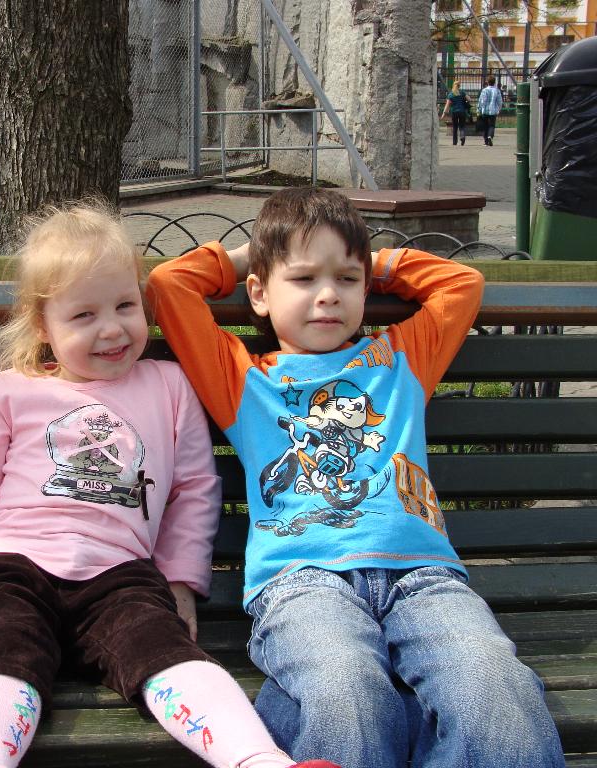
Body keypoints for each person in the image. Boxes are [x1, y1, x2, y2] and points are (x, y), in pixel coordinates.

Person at [146, 187, 566, 768]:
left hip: (424, 577)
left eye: (347, 279)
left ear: (366, 288)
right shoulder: (244, 380)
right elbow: (168, 286)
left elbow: (461, 284)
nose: (328, 295)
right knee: (346, 687)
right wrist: (251, 257)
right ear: (260, 294)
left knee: (496, 688)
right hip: (303, 580)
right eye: (303, 279)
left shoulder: (400, 360)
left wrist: (375, 260)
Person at [0, 202, 340, 768]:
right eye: (83, 315)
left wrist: (180, 580)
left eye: (125, 306)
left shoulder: (168, 385)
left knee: (168, 652)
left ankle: (258, 760)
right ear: (43, 327)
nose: (112, 328)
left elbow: (194, 490)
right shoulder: (14, 389)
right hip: (12, 565)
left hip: (120, 575)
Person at [441, 80, 471, 146]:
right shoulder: (462, 92)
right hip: (462, 112)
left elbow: (447, 105)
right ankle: (462, 136)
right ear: (459, 86)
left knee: (455, 127)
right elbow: (469, 99)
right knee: (462, 126)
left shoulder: (451, 94)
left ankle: (454, 142)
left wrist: (443, 114)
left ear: (453, 86)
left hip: (454, 112)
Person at [478, 75, 504, 146]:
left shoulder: (484, 90)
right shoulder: (497, 90)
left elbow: (481, 101)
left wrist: (479, 109)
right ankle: (490, 136)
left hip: (484, 110)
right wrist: (499, 109)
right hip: (493, 111)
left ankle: (486, 141)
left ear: (487, 82)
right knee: (492, 125)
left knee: (485, 126)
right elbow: (499, 101)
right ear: (494, 82)